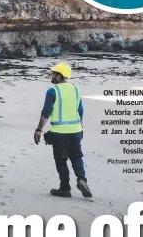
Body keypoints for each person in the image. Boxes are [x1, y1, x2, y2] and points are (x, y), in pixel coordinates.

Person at [34, 62, 92, 198]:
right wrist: (81, 128)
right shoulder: (76, 89)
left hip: (59, 133)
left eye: (53, 73)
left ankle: (65, 188)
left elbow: (46, 112)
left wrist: (39, 130)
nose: (51, 75)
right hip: (76, 131)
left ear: (59, 76)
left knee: (61, 161)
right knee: (77, 157)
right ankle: (82, 179)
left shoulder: (52, 91)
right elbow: (81, 111)